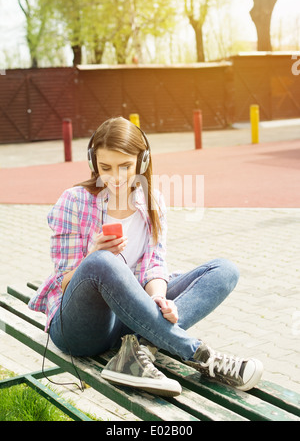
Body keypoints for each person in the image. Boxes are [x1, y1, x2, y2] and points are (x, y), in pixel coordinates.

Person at [28, 116, 263, 397]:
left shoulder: (151, 200)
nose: (115, 177)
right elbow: (66, 283)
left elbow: (155, 265)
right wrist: (93, 254)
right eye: (106, 168)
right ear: (93, 164)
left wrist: (157, 300)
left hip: (128, 319)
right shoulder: (73, 201)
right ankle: (202, 356)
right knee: (102, 262)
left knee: (224, 270)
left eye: (125, 166)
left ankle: (136, 349)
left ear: (142, 161)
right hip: (80, 330)